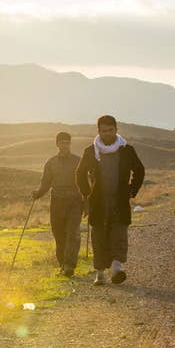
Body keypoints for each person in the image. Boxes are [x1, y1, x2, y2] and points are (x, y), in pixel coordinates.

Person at [76, 115, 144, 285]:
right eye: (104, 131)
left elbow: (139, 170)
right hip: (98, 201)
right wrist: (86, 194)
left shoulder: (126, 150)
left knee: (119, 231)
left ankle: (116, 268)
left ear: (116, 129)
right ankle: (100, 273)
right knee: (98, 234)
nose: (107, 134)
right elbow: (79, 174)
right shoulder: (90, 151)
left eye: (111, 130)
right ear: (98, 131)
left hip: (120, 200)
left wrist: (131, 190)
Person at [32, 132, 83, 277]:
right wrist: (38, 193)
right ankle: (62, 265)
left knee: (73, 233)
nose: (65, 145)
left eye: (67, 142)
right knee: (59, 234)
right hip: (57, 201)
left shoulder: (79, 161)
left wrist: (87, 202)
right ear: (57, 144)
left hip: (75, 200)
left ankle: (69, 266)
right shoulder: (51, 163)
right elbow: (45, 183)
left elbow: (85, 183)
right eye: (62, 142)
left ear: (70, 144)